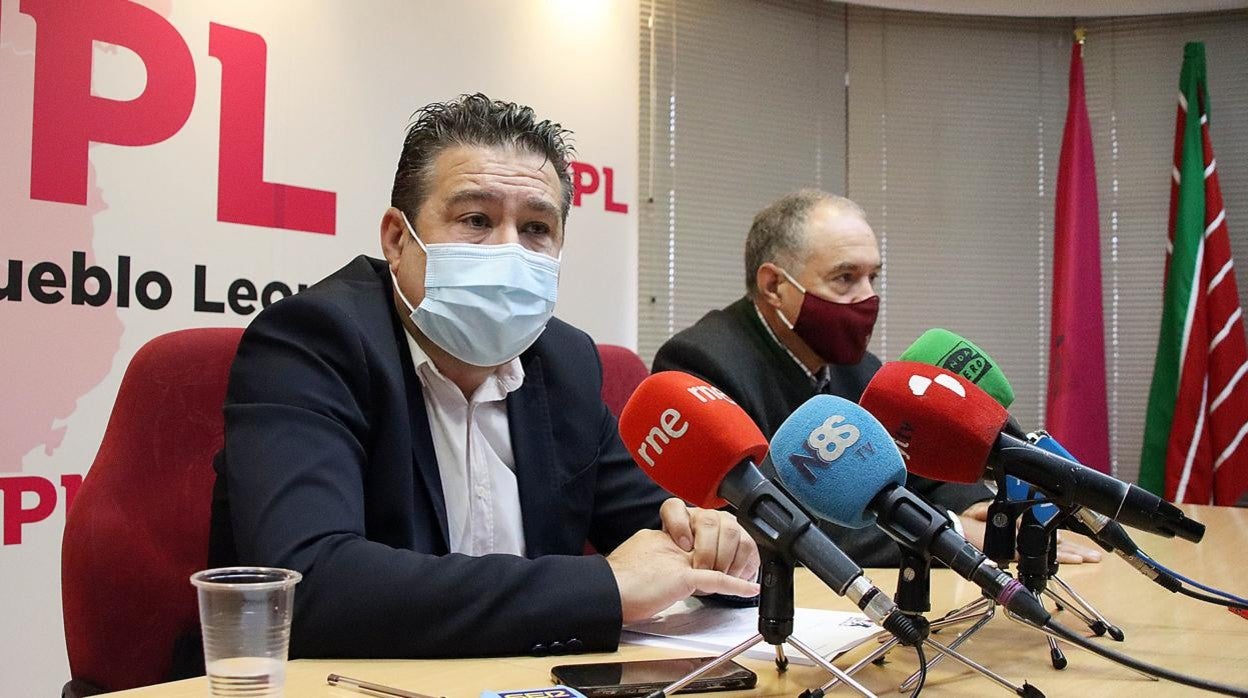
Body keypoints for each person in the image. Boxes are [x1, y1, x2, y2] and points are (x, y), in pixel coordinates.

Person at [205, 94, 759, 662]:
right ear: (397, 240)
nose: (509, 251)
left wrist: (717, 543)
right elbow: (310, 584)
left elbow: (659, 531)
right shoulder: (313, 341)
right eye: (476, 220)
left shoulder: (563, 361)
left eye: (537, 227)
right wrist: (605, 588)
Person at [653, 190, 1102, 566]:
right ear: (773, 286)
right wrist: (948, 533)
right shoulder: (701, 363)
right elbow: (771, 516)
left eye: (873, 277)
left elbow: (911, 458)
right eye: (845, 278)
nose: (867, 298)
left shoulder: (857, 368)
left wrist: (977, 509)